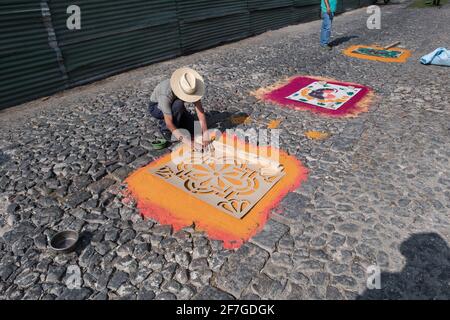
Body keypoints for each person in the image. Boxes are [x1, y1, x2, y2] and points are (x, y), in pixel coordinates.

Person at [148, 67, 211, 150]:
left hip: (175, 104)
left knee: (194, 130)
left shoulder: (191, 86)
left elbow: (200, 112)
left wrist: (205, 134)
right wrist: (190, 143)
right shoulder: (165, 94)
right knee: (178, 104)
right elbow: (169, 123)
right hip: (156, 107)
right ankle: (165, 131)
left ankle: (179, 119)